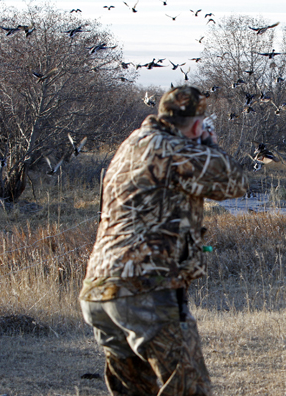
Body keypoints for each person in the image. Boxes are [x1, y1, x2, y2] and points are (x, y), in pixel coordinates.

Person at [79, 86, 248, 396]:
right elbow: (234, 182)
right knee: (188, 388)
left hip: (99, 290)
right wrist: (210, 145)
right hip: (146, 288)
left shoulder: (131, 143)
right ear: (197, 124)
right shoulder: (174, 149)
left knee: (134, 390)